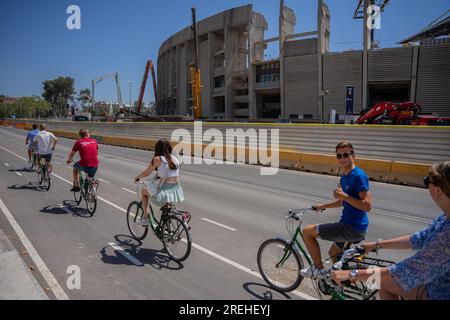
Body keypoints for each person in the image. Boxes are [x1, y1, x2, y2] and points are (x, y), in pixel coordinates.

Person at [332, 162, 450, 300]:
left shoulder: (447, 234)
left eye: (427, 181)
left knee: (380, 280)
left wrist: (352, 274)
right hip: (437, 284)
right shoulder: (445, 217)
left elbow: (408, 271)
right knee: (380, 282)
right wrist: (376, 245)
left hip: (439, 292)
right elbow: (418, 239)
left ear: (438, 190)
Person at [300, 141, 372, 279]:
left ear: (353, 156)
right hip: (353, 226)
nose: (342, 158)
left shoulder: (358, 176)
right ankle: (342, 284)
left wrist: (344, 196)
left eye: (346, 154)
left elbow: (367, 206)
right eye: (339, 156)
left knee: (307, 232)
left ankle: (318, 268)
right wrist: (322, 206)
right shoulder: (344, 176)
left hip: (351, 227)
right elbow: (343, 201)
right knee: (334, 253)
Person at [134, 139, 184, 227]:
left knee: (144, 192)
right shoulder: (175, 159)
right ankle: (166, 223)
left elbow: (146, 173)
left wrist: (137, 177)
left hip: (163, 194)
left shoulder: (157, 159)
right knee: (166, 206)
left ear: (157, 149)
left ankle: (145, 218)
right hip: (175, 193)